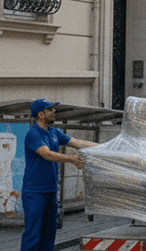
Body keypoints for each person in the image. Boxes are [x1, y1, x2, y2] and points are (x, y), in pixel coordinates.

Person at [21, 98, 97, 251]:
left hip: (50, 191)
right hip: (35, 192)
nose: (54, 112)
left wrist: (106, 147)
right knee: (33, 234)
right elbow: (47, 154)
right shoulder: (33, 134)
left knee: (49, 234)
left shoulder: (54, 132)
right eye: (51, 110)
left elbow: (77, 143)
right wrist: (71, 159)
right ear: (41, 114)